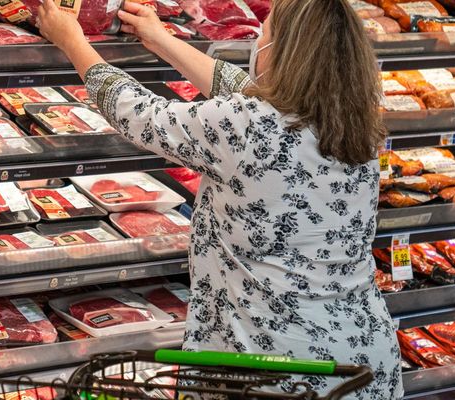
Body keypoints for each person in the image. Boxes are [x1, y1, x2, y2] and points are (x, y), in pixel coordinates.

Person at [37, 0, 401, 398]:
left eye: (264, 34)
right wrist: (161, 39)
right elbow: (245, 90)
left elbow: (139, 113)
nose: (257, 41)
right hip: (362, 357)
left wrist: (70, 39)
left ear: (283, 52)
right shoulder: (355, 120)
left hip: (273, 367)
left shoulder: (246, 126)